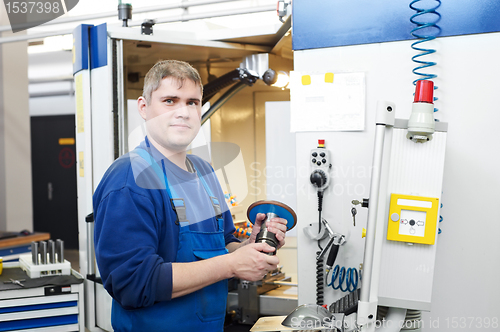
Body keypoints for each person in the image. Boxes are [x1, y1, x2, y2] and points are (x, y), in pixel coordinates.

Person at [93, 59, 288, 331]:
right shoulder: (130, 179)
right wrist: (231, 265)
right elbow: (134, 282)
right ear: (144, 107)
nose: (183, 112)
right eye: (170, 101)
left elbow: (224, 244)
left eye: (192, 102)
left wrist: (249, 248)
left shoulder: (204, 172)